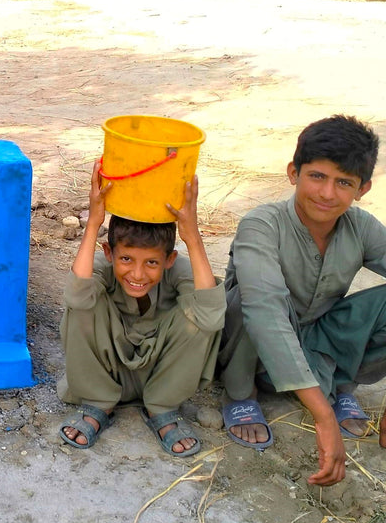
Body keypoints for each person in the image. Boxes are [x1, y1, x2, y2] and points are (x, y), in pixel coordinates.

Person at [219, 115, 386, 487]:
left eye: (344, 182)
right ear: (294, 172)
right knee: (252, 296)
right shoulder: (262, 224)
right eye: (317, 176)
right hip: (250, 348)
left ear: (363, 189)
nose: (328, 193)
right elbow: (264, 312)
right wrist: (323, 418)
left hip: (316, 340)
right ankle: (240, 395)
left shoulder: (363, 227)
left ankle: (340, 386)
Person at [58, 162, 224, 457]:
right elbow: (76, 297)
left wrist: (192, 235)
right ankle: (98, 402)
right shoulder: (100, 267)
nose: (137, 274)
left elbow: (210, 317)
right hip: (107, 372)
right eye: (126, 260)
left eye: (151, 263)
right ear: (109, 254)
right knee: (81, 303)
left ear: (169, 260)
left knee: (201, 312)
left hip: (160, 374)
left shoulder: (180, 270)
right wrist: (94, 222)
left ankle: (161, 406)